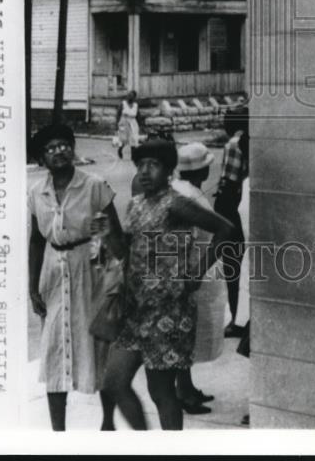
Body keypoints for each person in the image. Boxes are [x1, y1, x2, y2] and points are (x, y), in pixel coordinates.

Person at [104, 136, 233, 430]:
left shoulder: (176, 203)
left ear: (169, 171)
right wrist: (107, 233)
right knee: (114, 381)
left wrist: (197, 272)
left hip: (169, 313)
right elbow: (125, 252)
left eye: (155, 165)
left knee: (161, 392)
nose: (146, 171)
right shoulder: (135, 204)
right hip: (135, 311)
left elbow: (224, 229)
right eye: (141, 165)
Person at [28, 122, 126, 431]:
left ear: (72, 149)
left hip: (91, 268)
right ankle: (59, 432)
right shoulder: (36, 191)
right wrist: (33, 287)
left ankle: (107, 422)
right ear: (42, 159)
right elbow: (37, 239)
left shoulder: (94, 185)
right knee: (55, 349)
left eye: (63, 144)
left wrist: (111, 268)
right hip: (54, 275)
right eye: (50, 147)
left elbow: (114, 235)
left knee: (100, 346)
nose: (59, 150)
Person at [171, 141, 228, 414]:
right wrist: (196, 271)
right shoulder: (189, 196)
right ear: (202, 170)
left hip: (197, 268)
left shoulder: (183, 189)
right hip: (194, 270)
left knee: (189, 333)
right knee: (186, 333)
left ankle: (187, 386)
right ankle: (183, 393)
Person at [213, 106, 249, 337]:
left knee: (232, 266)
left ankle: (236, 321)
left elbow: (229, 180)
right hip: (245, 206)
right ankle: (243, 318)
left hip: (232, 208)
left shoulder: (233, 145)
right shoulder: (249, 141)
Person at [114, 90, 140, 160]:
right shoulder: (123, 104)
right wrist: (116, 124)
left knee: (133, 139)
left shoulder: (135, 105)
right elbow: (118, 114)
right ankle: (120, 150)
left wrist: (140, 124)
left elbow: (138, 116)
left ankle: (133, 155)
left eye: (132, 96)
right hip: (124, 122)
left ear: (134, 97)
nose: (130, 97)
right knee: (124, 139)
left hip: (133, 122)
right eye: (129, 95)